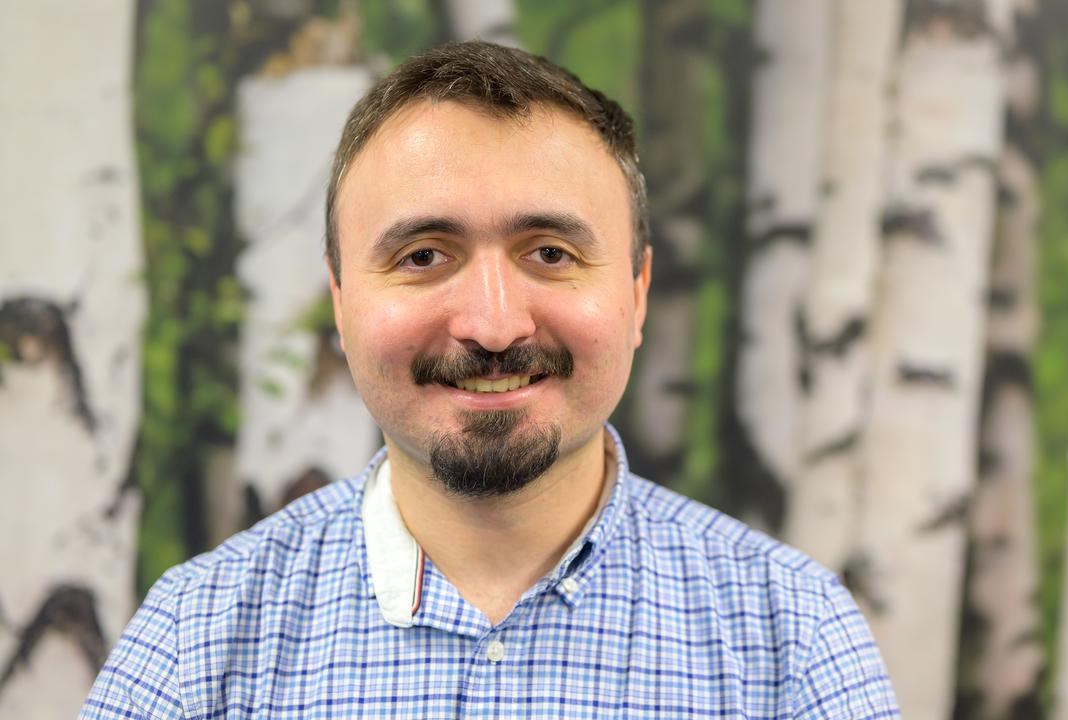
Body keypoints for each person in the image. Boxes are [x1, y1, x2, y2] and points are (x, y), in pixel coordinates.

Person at [81, 41, 899, 719]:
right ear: (340, 300)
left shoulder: (794, 635)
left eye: (551, 253)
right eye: (423, 256)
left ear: (638, 293)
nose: (495, 324)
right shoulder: (195, 640)